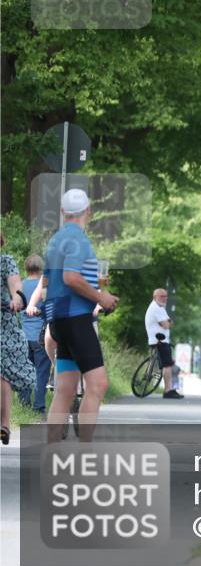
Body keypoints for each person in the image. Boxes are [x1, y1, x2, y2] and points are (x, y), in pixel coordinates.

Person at [41, 189, 119, 442]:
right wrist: (101, 298)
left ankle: (52, 451)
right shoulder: (79, 241)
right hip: (76, 319)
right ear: (89, 211)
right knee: (98, 385)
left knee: (64, 389)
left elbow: (50, 280)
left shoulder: (55, 240)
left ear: (63, 212)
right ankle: (85, 452)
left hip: (58, 320)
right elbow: (71, 278)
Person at [1, 240, 36, 445]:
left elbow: (15, 285)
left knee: (2, 371)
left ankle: (4, 425)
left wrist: (16, 299)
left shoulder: (5, 261)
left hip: (3, 323)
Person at [21, 254, 51, 413]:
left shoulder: (19, 285)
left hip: (23, 336)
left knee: (25, 370)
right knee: (41, 372)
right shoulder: (44, 286)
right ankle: (38, 407)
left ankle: (23, 404)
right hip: (41, 336)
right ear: (41, 268)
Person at [145, 288, 182, 399]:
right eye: (162, 296)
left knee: (167, 364)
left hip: (160, 340)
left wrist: (167, 322)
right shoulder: (156, 308)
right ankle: (168, 390)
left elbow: (168, 322)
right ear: (154, 297)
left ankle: (168, 388)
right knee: (167, 365)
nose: (165, 298)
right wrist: (167, 322)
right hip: (159, 341)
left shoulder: (160, 307)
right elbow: (167, 324)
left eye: (166, 296)